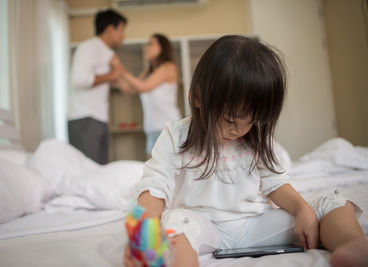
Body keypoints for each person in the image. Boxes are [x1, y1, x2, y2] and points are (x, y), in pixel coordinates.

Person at [123, 35, 368, 267]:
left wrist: (303, 210)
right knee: (175, 224)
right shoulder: (175, 135)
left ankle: (353, 246)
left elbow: (276, 183)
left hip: (254, 224)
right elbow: (155, 188)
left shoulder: (256, 136)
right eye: (231, 119)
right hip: (202, 226)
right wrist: (142, 234)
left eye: (251, 121)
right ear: (197, 97)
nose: (239, 130)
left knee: (332, 203)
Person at [68, 9, 127, 164]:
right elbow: (78, 80)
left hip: (100, 118)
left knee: (100, 173)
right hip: (85, 117)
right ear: (109, 29)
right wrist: (112, 75)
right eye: (121, 30)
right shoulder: (89, 47)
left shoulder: (108, 53)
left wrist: (114, 76)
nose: (123, 35)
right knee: (87, 173)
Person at [119, 33, 182, 157]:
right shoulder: (148, 71)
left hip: (168, 128)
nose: (145, 47)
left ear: (162, 47)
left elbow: (143, 86)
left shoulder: (169, 67)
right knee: (153, 172)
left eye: (150, 43)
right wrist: (116, 76)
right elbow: (130, 89)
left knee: (167, 172)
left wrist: (122, 71)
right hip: (151, 129)